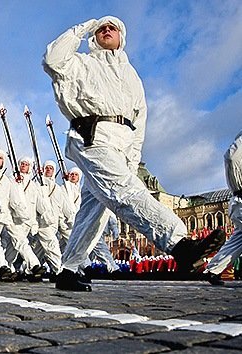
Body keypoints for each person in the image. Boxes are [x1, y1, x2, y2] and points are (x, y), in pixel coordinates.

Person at [42, 16, 225, 291]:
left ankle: (68, 269)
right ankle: (180, 244)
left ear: (120, 36)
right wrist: (81, 29)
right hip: (91, 136)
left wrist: (132, 157)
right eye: (101, 28)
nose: (106, 30)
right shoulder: (82, 62)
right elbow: (52, 60)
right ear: (94, 35)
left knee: (94, 210)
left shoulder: (131, 75)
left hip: (121, 143)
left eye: (111, 28)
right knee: (124, 191)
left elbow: (139, 121)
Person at [204, 131, 242, 285]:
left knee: (238, 239)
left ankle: (213, 270)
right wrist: (238, 184)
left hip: (237, 199)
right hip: (240, 196)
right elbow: (231, 157)